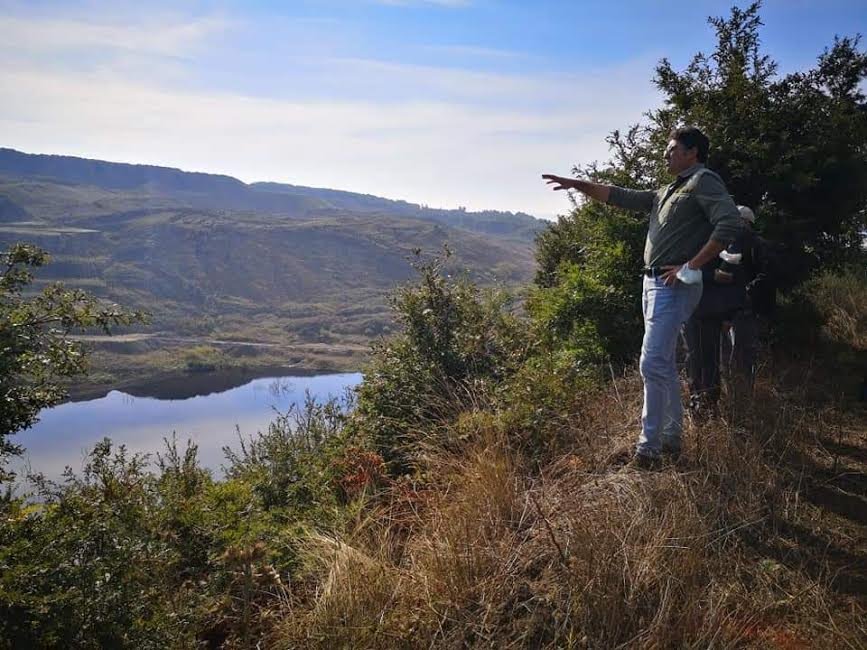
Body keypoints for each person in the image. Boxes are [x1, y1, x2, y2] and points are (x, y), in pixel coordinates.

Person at [542, 126, 743, 469]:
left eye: (672, 149)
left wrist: (691, 266)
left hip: (673, 284)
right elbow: (619, 196)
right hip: (653, 284)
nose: (666, 154)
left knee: (651, 363)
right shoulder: (667, 190)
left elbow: (729, 224)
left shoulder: (703, 181)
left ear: (692, 152)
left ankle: (648, 450)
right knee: (661, 364)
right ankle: (671, 440)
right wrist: (578, 184)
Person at [684, 205, 776, 418]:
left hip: (743, 310)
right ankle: (729, 399)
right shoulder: (725, 244)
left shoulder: (755, 245)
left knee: (739, 355)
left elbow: (764, 276)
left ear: (746, 222)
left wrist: (744, 293)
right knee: (725, 357)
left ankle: (741, 401)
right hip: (728, 309)